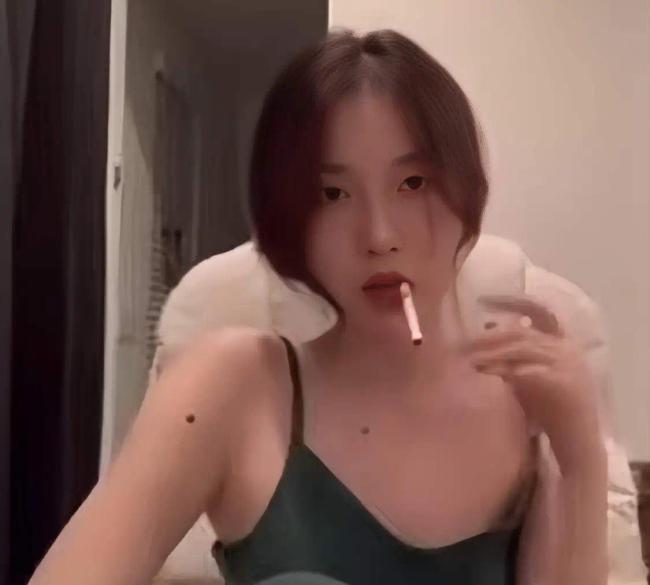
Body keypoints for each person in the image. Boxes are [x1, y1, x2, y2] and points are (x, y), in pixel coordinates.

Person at [28, 28, 608, 585]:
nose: (379, 236)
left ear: (466, 188)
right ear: (292, 220)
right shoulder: (233, 386)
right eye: (333, 194)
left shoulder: (528, 404)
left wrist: (580, 456)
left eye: (413, 183)